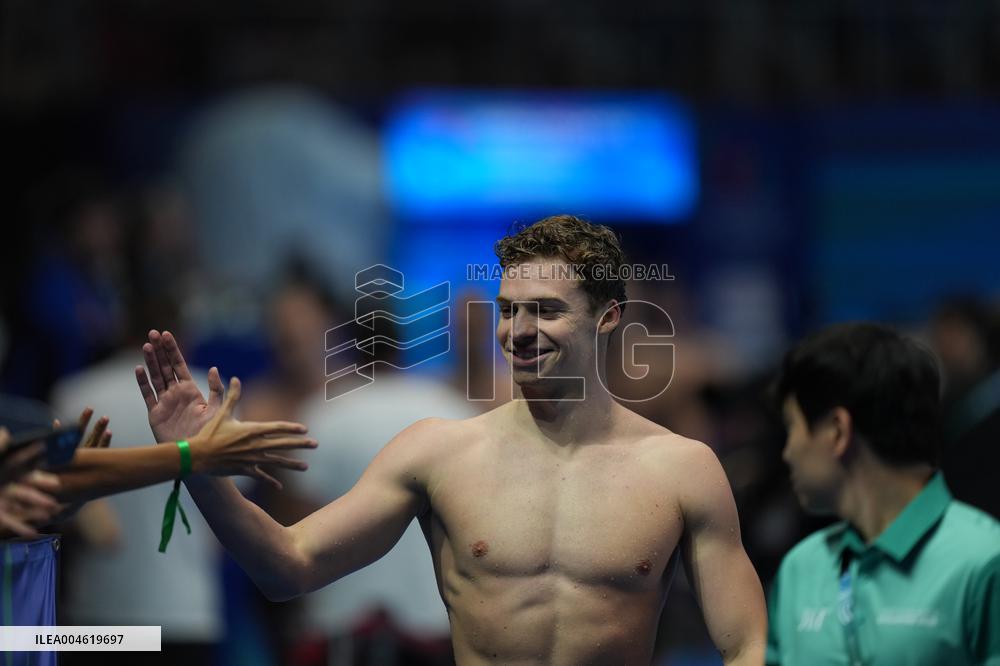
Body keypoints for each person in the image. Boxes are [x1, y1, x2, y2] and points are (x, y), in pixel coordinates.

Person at [136, 215, 767, 665]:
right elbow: (289, 566)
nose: (518, 330)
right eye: (507, 309)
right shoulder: (437, 452)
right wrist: (195, 464)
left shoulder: (682, 470)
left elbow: (745, 645)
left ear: (608, 319)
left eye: (546, 310)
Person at [0, 370, 316, 665]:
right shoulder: (34, 414)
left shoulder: (68, 395)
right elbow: (104, 533)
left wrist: (63, 503)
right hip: (178, 616)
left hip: (86, 623)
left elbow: (103, 533)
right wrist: (193, 455)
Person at [766, 323, 1000, 665]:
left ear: (837, 430)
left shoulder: (984, 559)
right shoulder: (800, 569)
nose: (787, 452)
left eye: (791, 428)